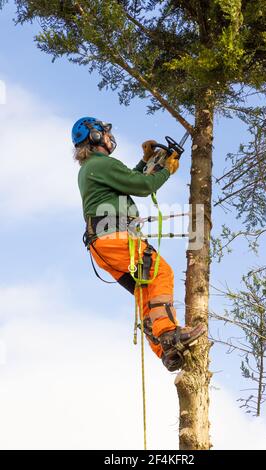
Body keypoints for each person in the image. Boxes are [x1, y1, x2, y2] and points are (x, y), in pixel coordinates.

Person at [72, 117, 204, 371]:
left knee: (146, 290)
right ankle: (169, 333)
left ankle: (165, 350)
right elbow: (143, 185)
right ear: (95, 137)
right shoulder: (100, 163)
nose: (110, 137)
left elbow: (129, 178)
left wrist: (146, 161)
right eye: (105, 133)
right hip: (114, 238)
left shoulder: (93, 168)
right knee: (161, 273)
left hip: (102, 245)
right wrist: (166, 170)